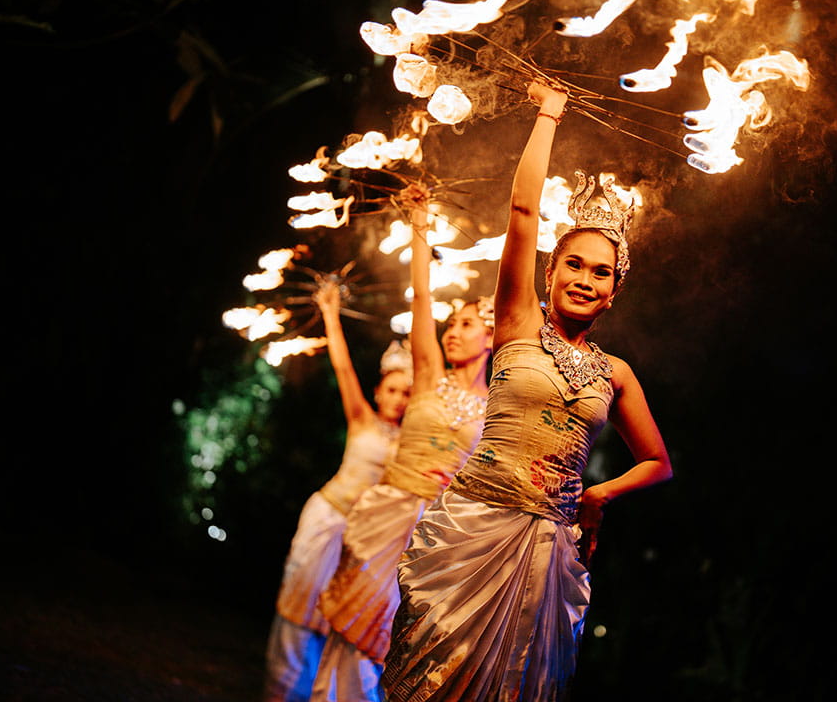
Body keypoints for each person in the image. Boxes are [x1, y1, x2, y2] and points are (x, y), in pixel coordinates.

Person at [382, 81, 673, 702]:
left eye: (602, 273)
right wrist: (548, 113)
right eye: (574, 264)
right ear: (549, 270)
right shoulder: (516, 321)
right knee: (431, 684)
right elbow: (523, 212)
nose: (585, 280)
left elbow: (658, 463)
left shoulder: (616, 373)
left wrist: (600, 493)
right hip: (474, 528)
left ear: (614, 291)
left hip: (546, 548)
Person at [309, 183, 494, 701]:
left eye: (466, 325)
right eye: (450, 325)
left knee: (400, 643)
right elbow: (424, 295)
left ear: (491, 337)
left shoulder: (496, 407)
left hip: (438, 534)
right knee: (352, 632)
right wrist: (419, 223)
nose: (452, 332)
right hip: (386, 513)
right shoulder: (429, 373)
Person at [263, 281, 412, 702]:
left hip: (367, 541)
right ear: (379, 390)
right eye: (393, 390)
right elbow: (343, 368)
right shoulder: (361, 419)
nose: (399, 399)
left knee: (342, 625)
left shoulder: (416, 443)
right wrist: (330, 313)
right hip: (327, 520)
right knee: (299, 613)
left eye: (407, 393)